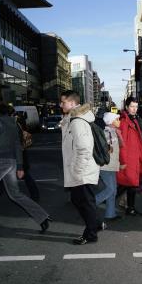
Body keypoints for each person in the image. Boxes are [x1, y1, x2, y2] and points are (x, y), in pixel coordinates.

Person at [0, 96, 50, 238]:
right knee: (15, 194)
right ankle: (42, 217)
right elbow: (17, 145)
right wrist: (19, 166)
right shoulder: (11, 121)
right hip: (11, 162)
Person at [60, 90, 100, 245]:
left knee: (84, 202)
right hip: (80, 170)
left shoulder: (77, 122)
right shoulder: (72, 119)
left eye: (63, 102)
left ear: (72, 103)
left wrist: (77, 170)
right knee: (80, 201)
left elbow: (84, 149)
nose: (61, 105)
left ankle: (91, 234)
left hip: (82, 170)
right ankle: (95, 225)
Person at [0, 107, 40, 204]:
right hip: (17, 155)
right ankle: (35, 195)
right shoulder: (15, 123)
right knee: (8, 178)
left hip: (14, 156)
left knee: (3, 178)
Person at [116, 97, 142, 216]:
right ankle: (102, 200)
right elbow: (121, 143)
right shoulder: (124, 122)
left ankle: (130, 208)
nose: (134, 109)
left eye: (136, 107)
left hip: (135, 158)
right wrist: (123, 161)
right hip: (129, 160)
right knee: (126, 185)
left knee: (132, 185)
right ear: (126, 107)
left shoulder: (133, 120)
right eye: (132, 106)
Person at [95, 112, 122, 220]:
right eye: (117, 119)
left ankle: (110, 213)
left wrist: (118, 164)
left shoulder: (113, 132)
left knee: (113, 190)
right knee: (110, 189)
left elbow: (114, 152)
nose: (119, 121)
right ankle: (91, 203)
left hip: (111, 166)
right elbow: (108, 150)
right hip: (106, 166)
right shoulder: (108, 133)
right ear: (111, 122)